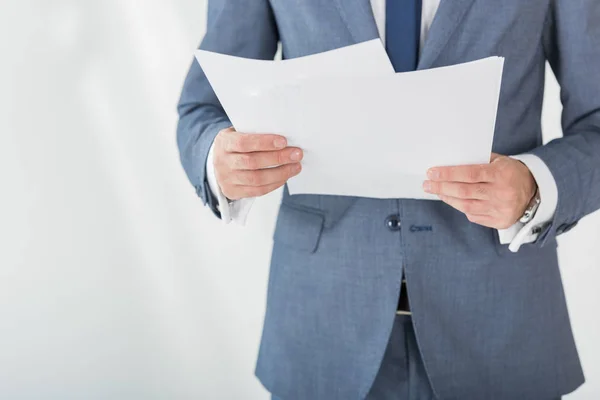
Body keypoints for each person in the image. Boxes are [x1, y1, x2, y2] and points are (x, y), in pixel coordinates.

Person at [176, 1, 600, 398]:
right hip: (320, 328)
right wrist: (219, 159)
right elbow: (202, 107)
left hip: (503, 331)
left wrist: (534, 184)